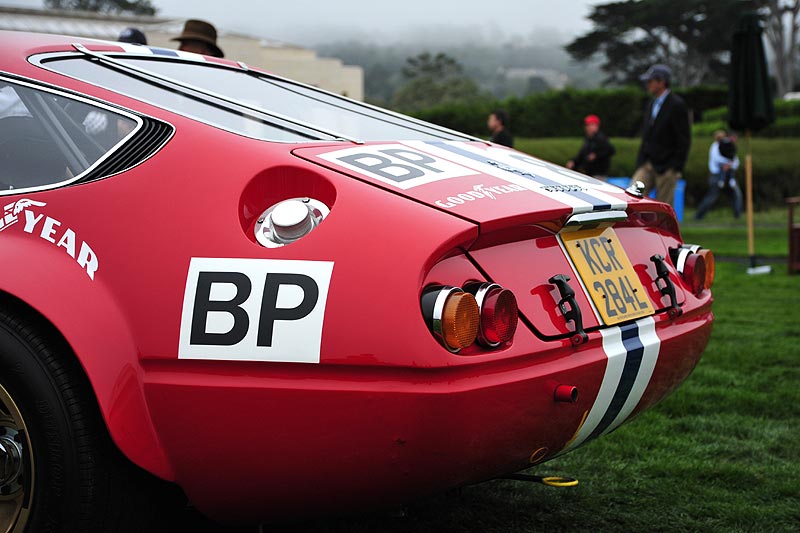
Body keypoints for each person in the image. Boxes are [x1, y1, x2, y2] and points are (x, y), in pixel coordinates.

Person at [632, 64, 691, 206]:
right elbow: (647, 135)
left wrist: (675, 167)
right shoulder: (651, 104)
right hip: (648, 163)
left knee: (662, 208)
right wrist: (641, 161)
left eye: (650, 81)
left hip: (667, 167)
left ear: (662, 82)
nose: (648, 84)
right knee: (633, 196)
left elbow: (683, 139)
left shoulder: (677, 105)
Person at [694, 130, 743, 220]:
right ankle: (698, 216)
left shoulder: (727, 146)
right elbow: (716, 159)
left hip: (728, 175)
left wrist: (729, 165)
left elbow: (736, 161)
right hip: (716, 176)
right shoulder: (714, 147)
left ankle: (738, 216)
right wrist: (727, 164)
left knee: (736, 195)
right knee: (711, 197)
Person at [565, 114, 615, 180]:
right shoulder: (588, 139)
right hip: (589, 174)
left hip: (598, 175)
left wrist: (596, 155)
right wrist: (573, 161)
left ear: (597, 126)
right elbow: (582, 154)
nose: (588, 127)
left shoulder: (601, 138)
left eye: (591, 125)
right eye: (587, 125)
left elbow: (610, 150)